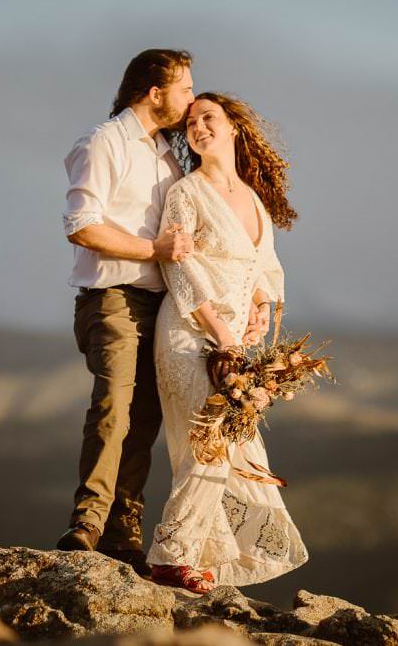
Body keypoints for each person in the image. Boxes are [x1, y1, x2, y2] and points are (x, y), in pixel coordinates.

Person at [147, 93, 308, 593]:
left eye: (208, 118)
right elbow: (179, 266)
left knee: (234, 447)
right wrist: (222, 338)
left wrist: (262, 308)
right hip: (188, 334)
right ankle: (170, 557)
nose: (198, 128)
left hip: (234, 342)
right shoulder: (186, 193)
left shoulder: (253, 198)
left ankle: (200, 557)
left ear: (235, 128)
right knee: (208, 443)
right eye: (191, 123)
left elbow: (263, 268)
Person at [55, 49, 198, 578]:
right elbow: (81, 224)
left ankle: (122, 533)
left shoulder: (168, 154)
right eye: (184, 88)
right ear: (154, 91)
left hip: (162, 304)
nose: (190, 97)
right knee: (113, 404)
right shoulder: (101, 142)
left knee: (145, 421)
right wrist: (153, 251)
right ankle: (86, 524)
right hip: (111, 296)